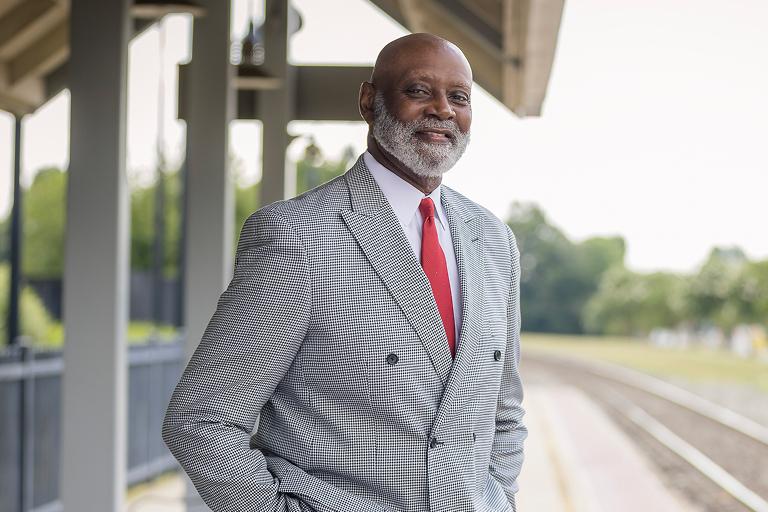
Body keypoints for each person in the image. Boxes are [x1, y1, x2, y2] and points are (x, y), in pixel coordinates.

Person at [162, 32, 526, 512]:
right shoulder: (296, 236)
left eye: (458, 97)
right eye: (419, 90)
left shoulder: (495, 241)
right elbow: (201, 419)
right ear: (369, 101)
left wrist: (499, 499)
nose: (442, 109)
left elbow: (504, 413)